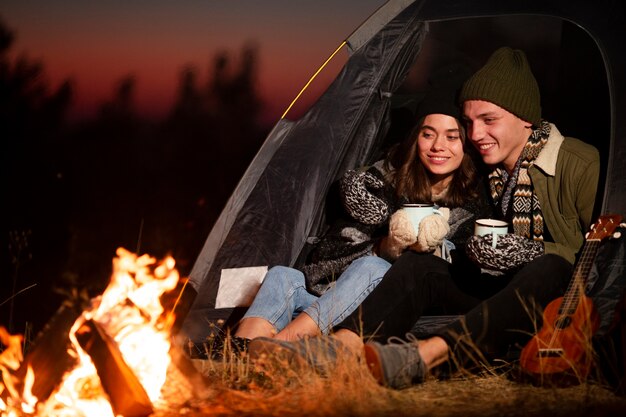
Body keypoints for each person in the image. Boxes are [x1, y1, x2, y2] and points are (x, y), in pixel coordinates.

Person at [249, 47, 600, 389]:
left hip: (556, 297)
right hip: (499, 292)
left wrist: (527, 252)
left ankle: (425, 354)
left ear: (526, 118)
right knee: (419, 266)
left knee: (550, 265)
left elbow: (604, 256)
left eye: (489, 120)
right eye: (470, 123)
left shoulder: (579, 163)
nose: (476, 135)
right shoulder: (492, 175)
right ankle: (341, 347)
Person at [209, 77, 491, 358]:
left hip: (380, 313)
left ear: (466, 144)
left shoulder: (472, 205)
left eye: (452, 137)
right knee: (283, 276)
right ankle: (238, 353)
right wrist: (386, 245)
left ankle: (278, 352)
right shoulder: (383, 184)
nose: (438, 146)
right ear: (416, 137)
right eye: (428, 134)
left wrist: (426, 249)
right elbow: (330, 253)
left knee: (373, 266)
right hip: (336, 300)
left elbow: (459, 274)